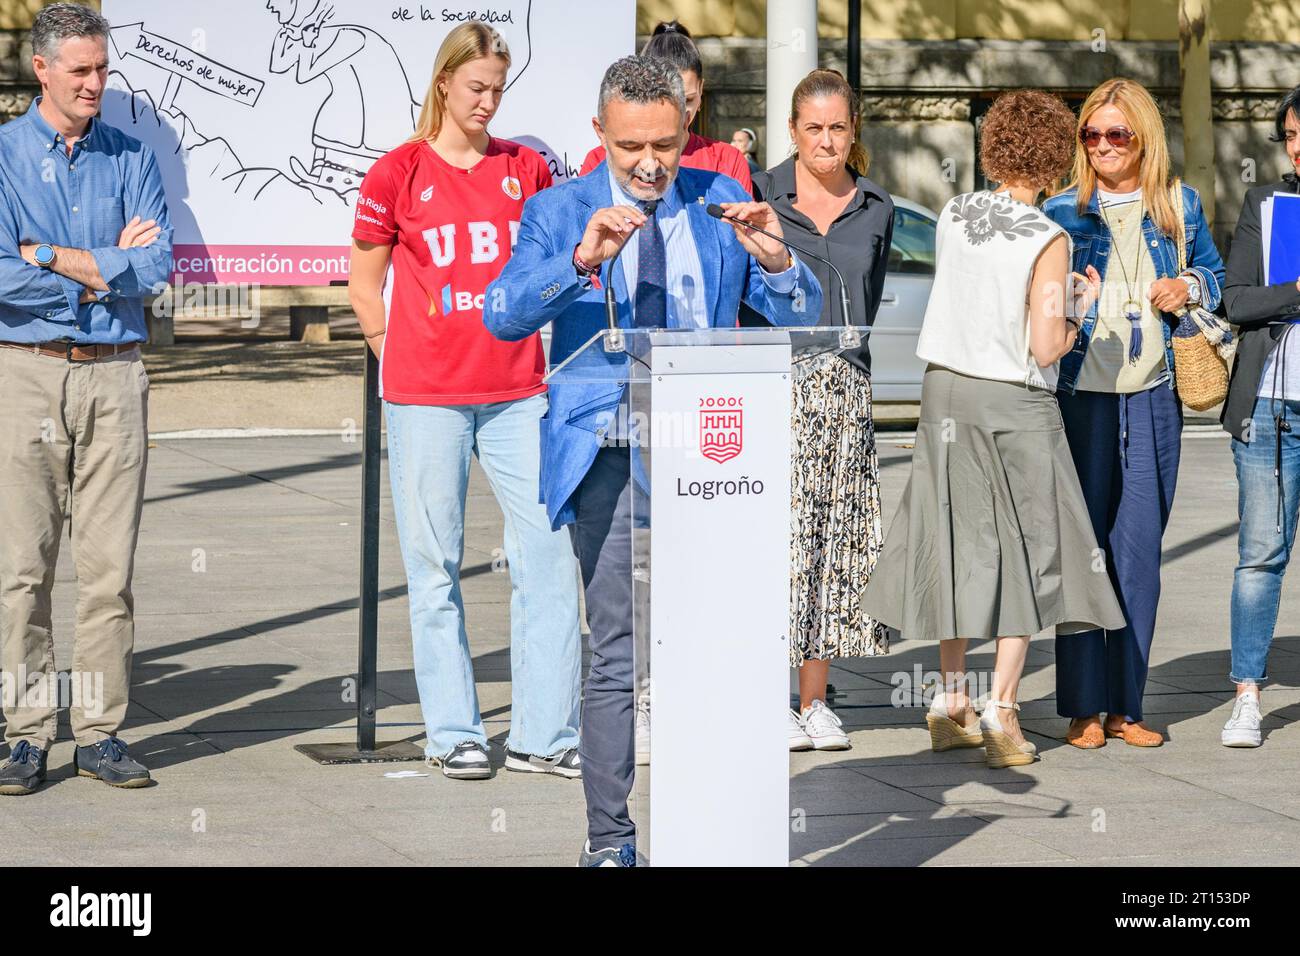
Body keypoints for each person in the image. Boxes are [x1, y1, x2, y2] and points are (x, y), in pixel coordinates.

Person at [484, 55, 821, 865]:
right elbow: (501, 313)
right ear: (599, 134)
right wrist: (581, 263)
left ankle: (721, 822)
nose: (648, 163)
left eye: (665, 144)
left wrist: (777, 261)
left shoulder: (719, 204)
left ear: (684, 133)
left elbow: (808, 311)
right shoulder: (559, 210)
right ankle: (610, 841)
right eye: (630, 144)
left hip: (716, 453)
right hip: (608, 449)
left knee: (722, 641)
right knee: (617, 647)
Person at [347, 22, 583, 782]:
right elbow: (364, 279)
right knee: (434, 565)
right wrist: (397, 354)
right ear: (444, 82)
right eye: (475, 86)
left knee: (546, 559)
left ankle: (545, 734)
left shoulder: (527, 171)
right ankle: (454, 733)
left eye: (498, 89)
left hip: (519, 393)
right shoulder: (397, 173)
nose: (487, 101)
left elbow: (554, 267)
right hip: (427, 399)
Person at [862, 90, 1125, 769]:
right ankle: (1001, 709)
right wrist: (1081, 310)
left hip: (944, 392)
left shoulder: (955, 212)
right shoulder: (1048, 237)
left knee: (956, 542)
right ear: (1056, 156)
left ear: (995, 146)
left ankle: (950, 699)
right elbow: (1043, 345)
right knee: (1031, 550)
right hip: (1012, 403)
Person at [0, 3, 170, 796]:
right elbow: (0, 274)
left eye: (103, 69)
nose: (98, 83)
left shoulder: (132, 157)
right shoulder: (2, 156)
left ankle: (99, 731)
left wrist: (47, 253)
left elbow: (159, 263)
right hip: (24, 371)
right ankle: (26, 733)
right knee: (21, 568)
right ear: (42, 69)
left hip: (116, 373)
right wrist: (102, 264)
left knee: (109, 571)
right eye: (82, 70)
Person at [1043, 78, 1226, 749]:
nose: (1102, 147)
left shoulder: (1179, 206)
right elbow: (1038, 303)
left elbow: (1215, 276)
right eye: (1091, 134)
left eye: (1116, 134)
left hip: (1153, 395)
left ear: (1143, 136)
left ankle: (1129, 706)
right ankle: (1084, 708)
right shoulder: (1063, 210)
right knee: (1083, 553)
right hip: (1081, 397)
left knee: (1139, 556)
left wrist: (1190, 285)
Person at [751, 69, 895, 752]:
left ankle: (815, 700)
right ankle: (766, 695)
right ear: (793, 130)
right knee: (777, 547)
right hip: (778, 387)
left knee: (833, 548)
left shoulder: (876, 205)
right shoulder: (760, 193)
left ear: (853, 129)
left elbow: (871, 295)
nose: (827, 140)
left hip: (847, 391)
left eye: (839, 127)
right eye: (815, 128)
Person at [1218, 86, 1300, 748]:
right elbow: (1237, 300)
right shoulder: (1269, 206)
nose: (1296, 147)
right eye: (1290, 137)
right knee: (1261, 552)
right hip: (1271, 404)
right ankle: (1247, 695)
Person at [579, 20, 752, 195]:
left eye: (688, 99)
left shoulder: (728, 160)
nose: (681, 112)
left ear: (701, 89)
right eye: (666, 100)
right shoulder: (600, 160)